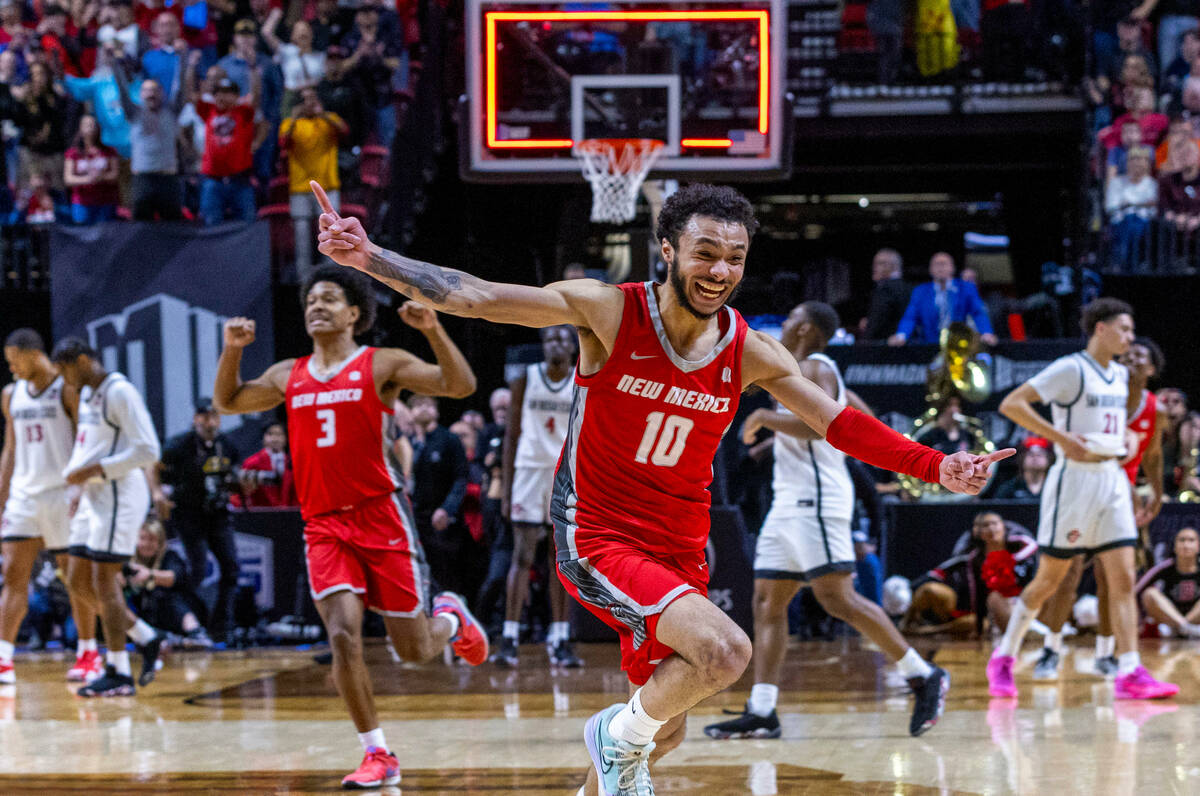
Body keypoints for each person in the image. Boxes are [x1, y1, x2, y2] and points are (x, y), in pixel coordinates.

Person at [310, 179, 1009, 795]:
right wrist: (371, 259)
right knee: (723, 656)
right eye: (706, 252)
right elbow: (482, 297)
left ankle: (618, 748)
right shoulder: (608, 311)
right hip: (598, 533)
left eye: (734, 258)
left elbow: (837, 422)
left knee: (664, 732)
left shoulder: (747, 348)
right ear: (667, 250)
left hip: (680, 549)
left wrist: (934, 464)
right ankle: (616, 738)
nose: (721, 270)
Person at [213, 265, 488, 789]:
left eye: (330, 298)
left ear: (354, 314)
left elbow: (461, 384)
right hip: (322, 525)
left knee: (411, 650)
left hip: (381, 516)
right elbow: (228, 401)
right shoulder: (286, 374)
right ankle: (377, 752)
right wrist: (232, 350)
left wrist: (432, 329)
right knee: (342, 635)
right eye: (311, 299)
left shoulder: (380, 363)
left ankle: (451, 618)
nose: (317, 305)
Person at [703, 301, 948, 742]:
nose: (786, 321)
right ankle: (762, 709)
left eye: (791, 317)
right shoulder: (812, 370)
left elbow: (818, 428)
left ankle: (922, 673)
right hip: (790, 500)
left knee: (838, 598)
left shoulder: (815, 366)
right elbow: (859, 414)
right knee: (767, 601)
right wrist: (775, 442)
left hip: (816, 500)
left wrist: (763, 417)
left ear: (806, 328)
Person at [987, 298, 1178, 701]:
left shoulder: (1117, 376)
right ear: (1101, 329)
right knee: (1049, 581)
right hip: (1073, 482)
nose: (1130, 337)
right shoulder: (1071, 368)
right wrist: (1060, 439)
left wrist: (1124, 438)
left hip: (1111, 478)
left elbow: (1112, 424)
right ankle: (1004, 657)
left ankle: (1129, 671)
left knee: (1123, 579)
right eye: (1124, 329)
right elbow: (1012, 404)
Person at [53, 337, 162, 697]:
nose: (66, 380)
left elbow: (148, 448)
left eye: (67, 370)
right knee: (76, 581)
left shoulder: (120, 392)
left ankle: (118, 671)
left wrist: (96, 471)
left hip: (120, 494)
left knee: (103, 582)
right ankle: (146, 637)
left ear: (83, 361)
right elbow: (88, 445)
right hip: (94, 495)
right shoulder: (87, 394)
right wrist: (77, 486)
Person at [0, 329, 94, 685]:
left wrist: (82, 490)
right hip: (25, 495)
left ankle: (88, 652)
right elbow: (10, 450)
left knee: (76, 579)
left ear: (32, 354)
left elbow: (85, 440)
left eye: (14, 360)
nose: (11, 368)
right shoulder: (11, 394)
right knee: (13, 576)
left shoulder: (66, 389)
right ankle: (4, 656)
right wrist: (2, 496)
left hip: (62, 492)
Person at [492, 326, 580, 668]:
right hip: (529, 472)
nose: (554, 344)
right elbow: (511, 434)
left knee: (561, 561)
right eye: (549, 339)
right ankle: (510, 637)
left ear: (573, 347)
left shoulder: (581, 380)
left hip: (565, 476)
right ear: (542, 346)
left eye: (561, 338)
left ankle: (560, 639)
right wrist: (508, 487)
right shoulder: (526, 378)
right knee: (522, 555)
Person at [159, 400, 241, 643]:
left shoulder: (225, 445)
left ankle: (222, 625)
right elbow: (156, 467)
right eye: (204, 417)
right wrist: (158, 493)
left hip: (217, 513)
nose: (210, 422)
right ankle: (187, 619)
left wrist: (240, 484)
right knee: (198, 567)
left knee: (231, 567)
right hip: (188, 513)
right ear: (196, 418)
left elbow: (235, 475)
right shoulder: (178, 445)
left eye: (214, 417)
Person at [902, 512, 1038, 637]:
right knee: (929, 589)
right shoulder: (971, 557)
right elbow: (940, 574)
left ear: (1004, 526)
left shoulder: (1021, 549)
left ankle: (929, 631)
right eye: (985, 525)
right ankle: (907, 626)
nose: (991, 529)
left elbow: (1033, 546)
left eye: (994, 524)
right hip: (977, 610)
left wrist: (1008, 561)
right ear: (977, 532)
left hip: (1015, 603)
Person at [408, 394, 481, 601]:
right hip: (411, 518)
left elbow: (461, 478)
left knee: (445, 573)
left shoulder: (449, 440)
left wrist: (447, 509)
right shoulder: (406, 442)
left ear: (437, 412)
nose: (423, 409)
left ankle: (450, 615)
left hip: (441, 520)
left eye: (428, 405)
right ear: (410, 412)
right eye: (418, 404)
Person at [279, 87, 348, 284]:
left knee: (332, 236)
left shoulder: (329, 119)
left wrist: (323, 114)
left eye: (312, 99)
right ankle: (305, 283)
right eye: (305, 100)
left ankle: (332, 281)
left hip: (328, 187)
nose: (309, 103)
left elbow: (345, 132)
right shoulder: (290, 124)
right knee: (301, 240)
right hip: (300, 189)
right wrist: (293, 118)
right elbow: (284, 143)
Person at [123, 518, 212, 649]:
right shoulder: (129, 561)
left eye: (152, 539)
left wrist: (150, 574)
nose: (146, 543)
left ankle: (196, 634)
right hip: (146, 618)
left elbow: (173, 577)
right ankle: (155, 638)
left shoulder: (170, 556)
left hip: (176, 614)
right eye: (142, 538)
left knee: (168, 597)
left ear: (160, 542)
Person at [888, 252, 998, 346]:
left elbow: (978, 313)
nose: (940, 267)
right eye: (936, 264)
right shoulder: (920, 291)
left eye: (944, 264)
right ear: (930, 269)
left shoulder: (966, 288)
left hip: (959, 345)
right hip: (930, 344)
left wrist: (986, 333)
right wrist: (901, 335)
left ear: (952, 268)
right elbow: (910, 317)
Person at [1136, 527, 1200, 637]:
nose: (1186, 545)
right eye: (1182, 540)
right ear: (1174, 547)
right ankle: (1184, 627)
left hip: (1196, 621)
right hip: (1169, 621)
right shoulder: (1165, 567)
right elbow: (1136, 591)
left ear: (1198, 546)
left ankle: (1185, 628)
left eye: (1191, 540)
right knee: (1150, 593)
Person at [63, 114, 120, 225]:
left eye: (93, 125)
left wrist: (101, 177)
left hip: (105, 203)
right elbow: (68, 179)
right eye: (86, 125)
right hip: (82, 203)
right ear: (80, 128)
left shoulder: (109, 151)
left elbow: (115, 175)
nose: (90, 128)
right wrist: (88, 179)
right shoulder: (73, 153)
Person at [237, 422, 297, 508]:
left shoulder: (293, 463)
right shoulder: (251, 463)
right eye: (270, 434)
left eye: (279, 434)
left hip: (289, 514)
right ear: (263, 437)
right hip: (261, 514)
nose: (275, 438)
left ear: (286, 438)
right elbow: (244, 494)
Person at [858, 248, 911, 341]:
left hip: (882, 347)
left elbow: (877, 322)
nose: (874, 268)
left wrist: (863, 342)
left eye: (879, 263)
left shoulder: (886, 289)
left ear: (892, 265)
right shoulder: (908, 288)